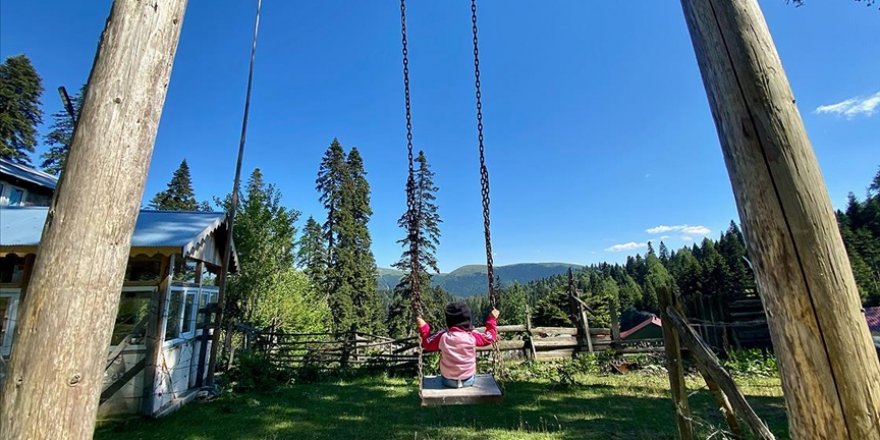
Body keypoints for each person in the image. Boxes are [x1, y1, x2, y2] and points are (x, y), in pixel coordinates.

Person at [417, 302, 500, 388]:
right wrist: (492, 319)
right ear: (468, 320)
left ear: (448, 321)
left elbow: (427, 343)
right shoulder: (472, 336)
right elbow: (490, 337)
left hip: (448, 381)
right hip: (468, 380)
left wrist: (424, 327)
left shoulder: (443, 337)